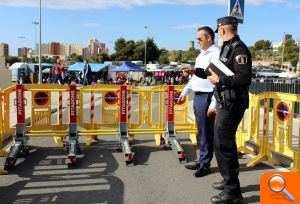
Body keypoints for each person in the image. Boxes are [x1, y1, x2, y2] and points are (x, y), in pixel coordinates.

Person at [207, 16, 252, 204]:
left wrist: (220, 80)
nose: (219, 35)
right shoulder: (228, 48)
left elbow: (244, 78)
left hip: (233, 104)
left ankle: (233, 191)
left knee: (224, 145)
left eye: (218, 32)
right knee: (221, 143)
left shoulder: (239, 49)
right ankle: (228, 181)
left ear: (223, 30)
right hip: (226, 102)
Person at [178, 26, 220, 178]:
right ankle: (202, 160)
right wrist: (185, 91)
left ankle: (205, 164)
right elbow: (196, 77)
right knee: (201, 131)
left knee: (206, 132)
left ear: (208, 37)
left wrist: (213, 103)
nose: (198, 42)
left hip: (208, 95)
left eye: (200, 39)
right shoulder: (201, 55)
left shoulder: (215, 54)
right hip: (199, 95)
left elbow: (217, 80)